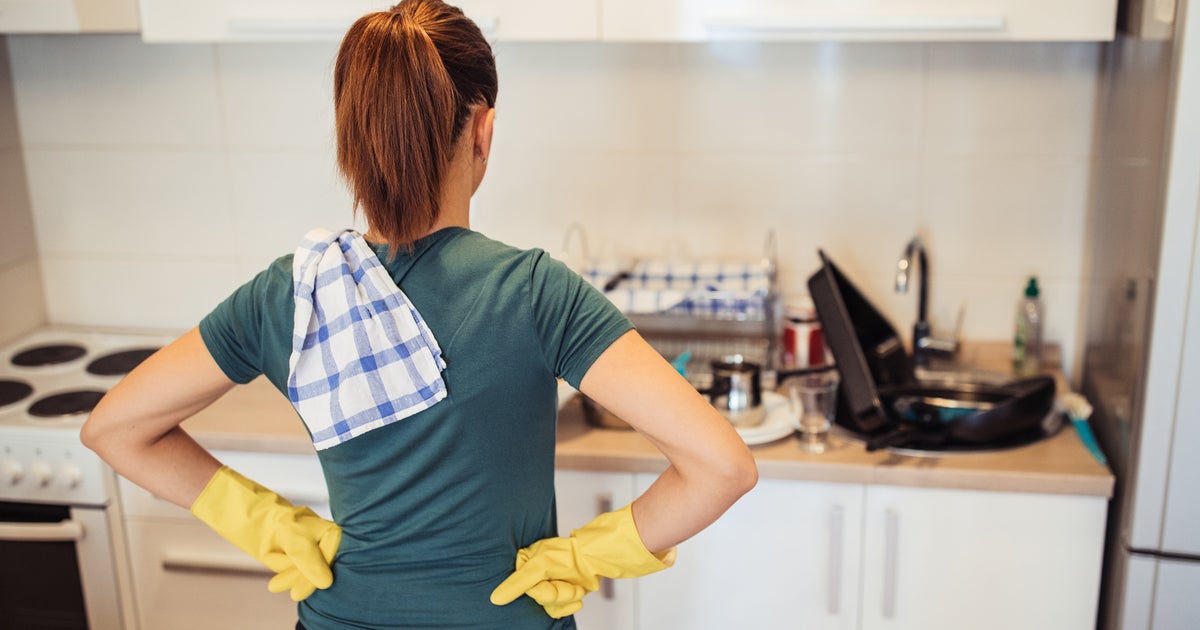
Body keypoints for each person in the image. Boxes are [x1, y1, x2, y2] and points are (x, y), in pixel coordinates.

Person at [80, 1, 758, 628]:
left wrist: (266, 523)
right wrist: (586, 556)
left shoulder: (293, 293)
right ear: (482, 130)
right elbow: (721, 466)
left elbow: (117, 429)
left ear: (354, 138)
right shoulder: (534, 292)